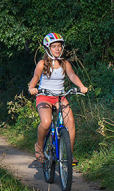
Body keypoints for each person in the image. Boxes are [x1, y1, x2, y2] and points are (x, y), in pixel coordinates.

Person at [28, 33, 89, 163]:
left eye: (59, 46)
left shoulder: (65, 63)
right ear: (48, 48)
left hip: (60, 97)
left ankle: (70, 154)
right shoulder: (42, 63)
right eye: (54, 46)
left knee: (70, 122)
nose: (57, 49)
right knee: (46, 122)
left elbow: (72, 76)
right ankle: (39, 147)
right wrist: (32, 87)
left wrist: (81, 86)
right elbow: (36, 76)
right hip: (44, 96)